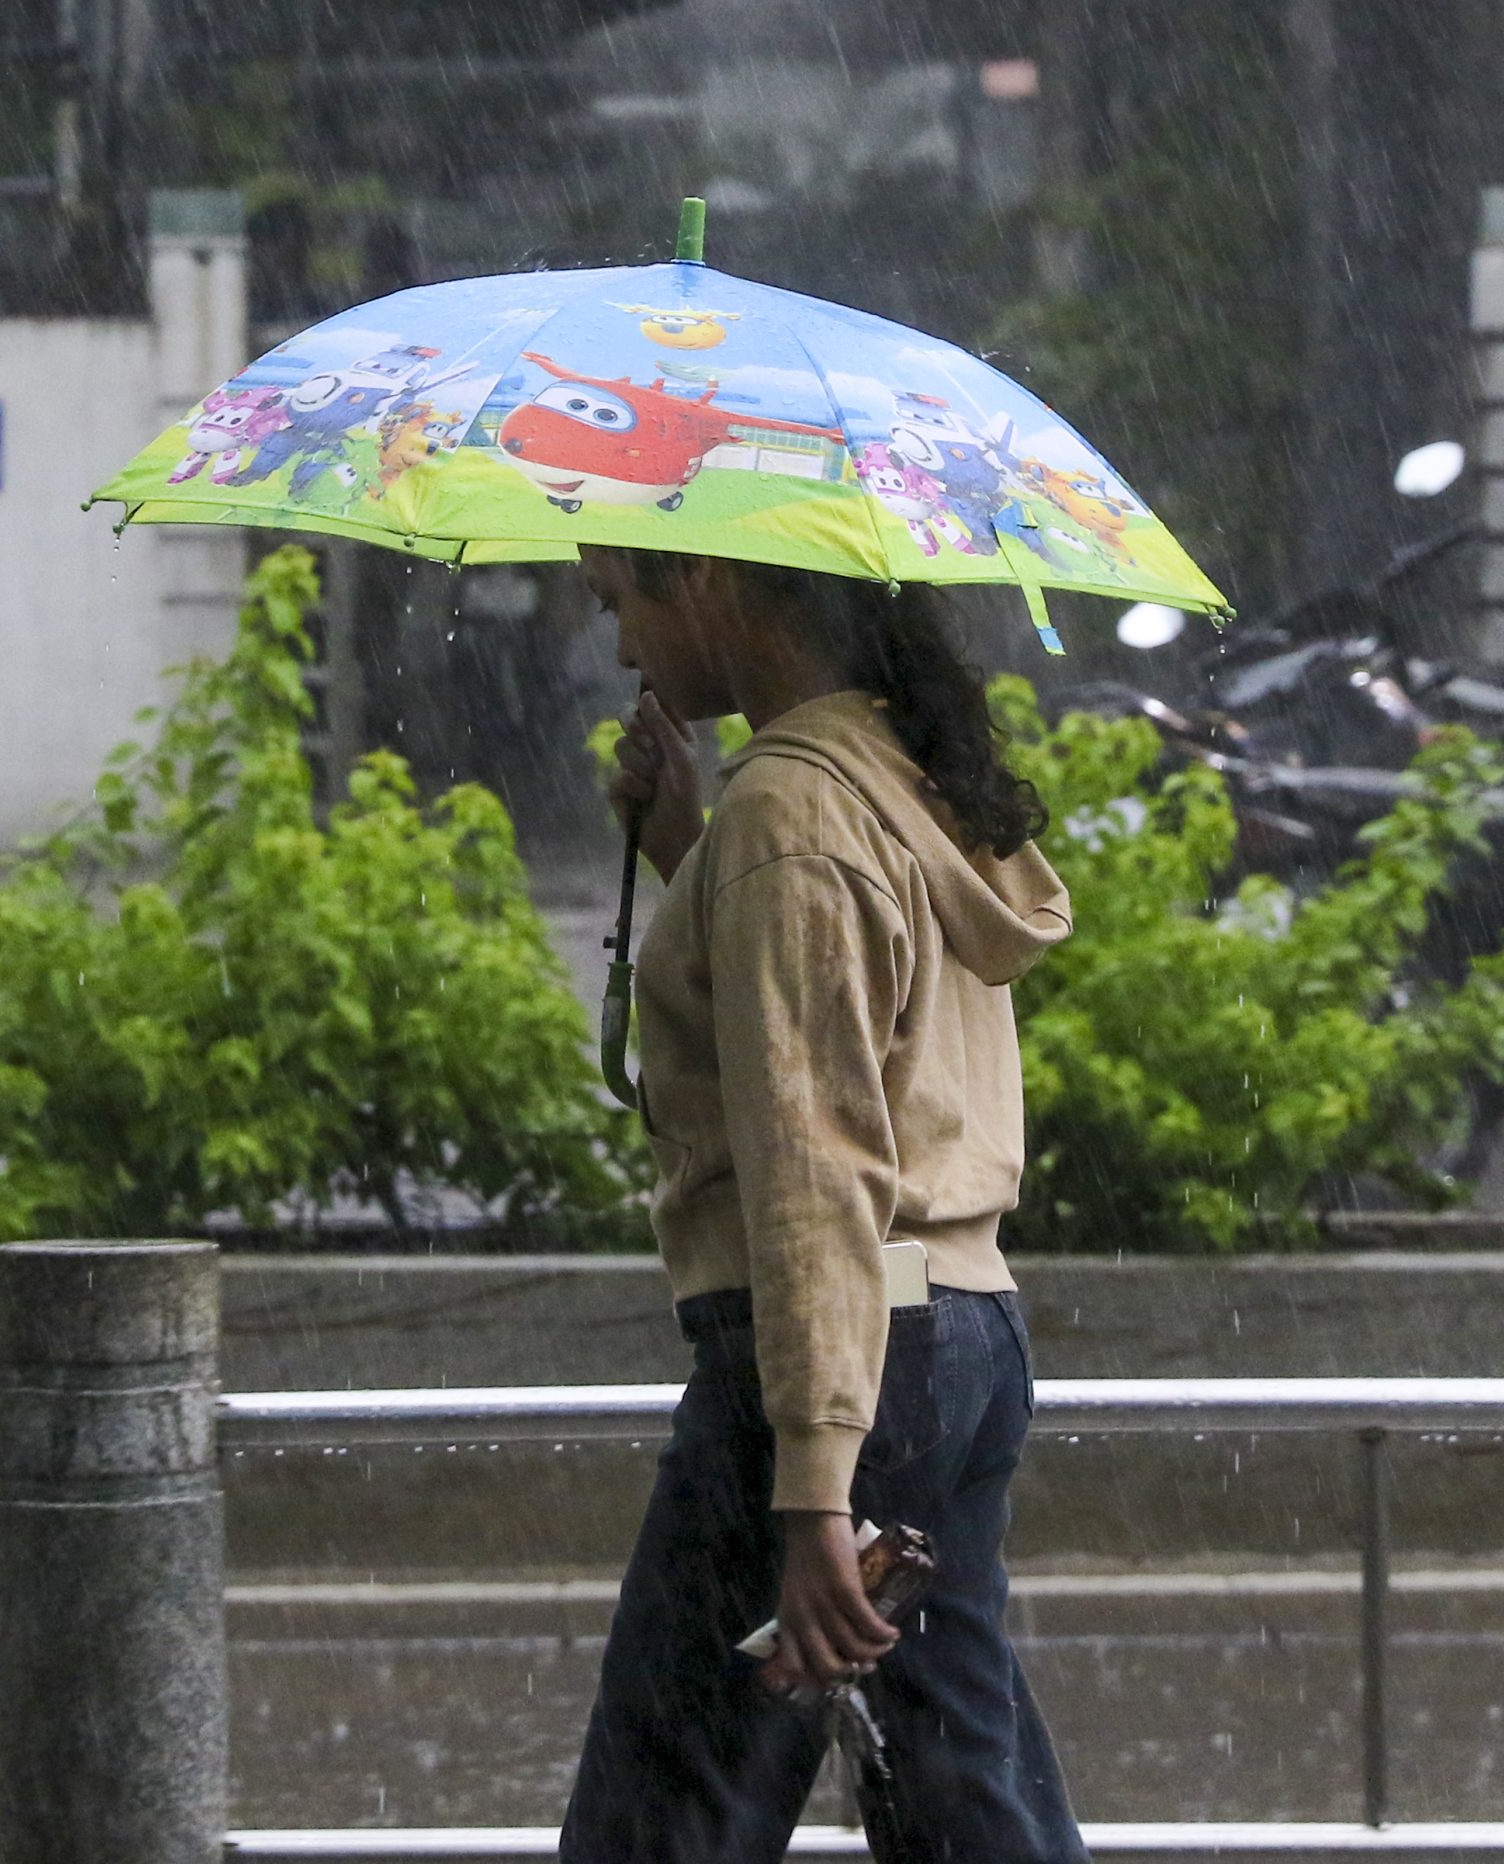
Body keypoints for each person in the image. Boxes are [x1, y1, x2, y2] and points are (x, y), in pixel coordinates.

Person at [559, 546, 1089, 1864]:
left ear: (701, 576)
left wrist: (809, 1498)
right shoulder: (893, 776)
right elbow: (861, 1045)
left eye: (619, 602)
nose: (622, 649)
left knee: (664, 1813)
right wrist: (690, 855)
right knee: (962, 1797)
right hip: (958, 1337)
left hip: (839, 1361)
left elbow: (817, 1170)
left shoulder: (789, 810)